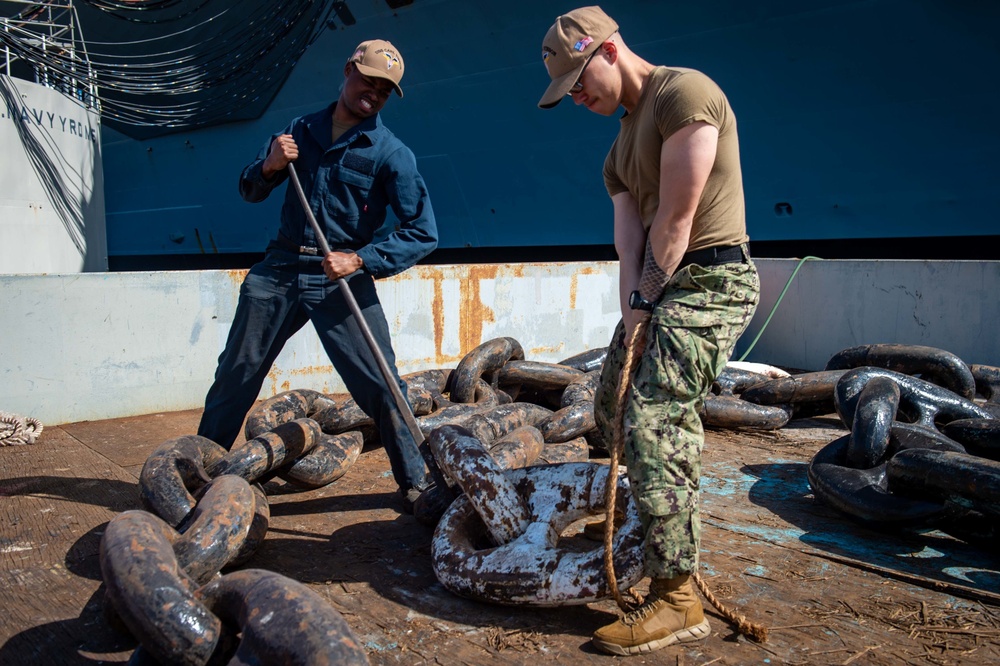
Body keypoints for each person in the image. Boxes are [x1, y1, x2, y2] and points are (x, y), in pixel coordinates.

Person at [538, 7, 761, 656]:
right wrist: (631, 314)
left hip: (713, 282)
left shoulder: (684, 94)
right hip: (659, 287)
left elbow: (677, 216)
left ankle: (677, 596)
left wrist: (646, 298)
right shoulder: (617, 150)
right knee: (609, 410)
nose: (577, 98)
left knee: (655, 418)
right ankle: (632, 517)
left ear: (607, 50)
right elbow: (628, 242)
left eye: (579, 82)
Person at [198, 39, 437, 511]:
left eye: (385, 90)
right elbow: (250, 190)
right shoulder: (298, 131)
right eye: (369, 80)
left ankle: (416, 483)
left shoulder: (391, 153)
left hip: (341, 275)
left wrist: (362, 259)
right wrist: (268, 165)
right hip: (281, 268)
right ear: (349, 69)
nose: (375, 93)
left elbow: (422, 232)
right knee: (237, 374)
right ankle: (201, 471)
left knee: (383, 383)